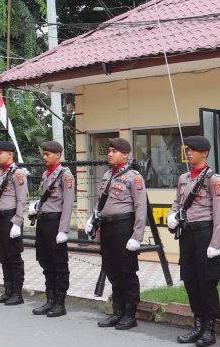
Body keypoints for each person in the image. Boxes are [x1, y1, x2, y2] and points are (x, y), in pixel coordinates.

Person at [167, 135, 220, 347]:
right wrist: (172, 216)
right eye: (188, 149)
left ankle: (209, 328)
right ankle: (198, 324)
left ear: (205, 153)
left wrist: (216, 244)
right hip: (187, 235)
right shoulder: (183, 178)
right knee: (191, 280)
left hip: (205, 233)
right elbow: (177, 202)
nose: (189, 153)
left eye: (193, 150)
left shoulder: (214, 180)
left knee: (206, 282)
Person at [87, 138, 148, 330]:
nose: (110, 154)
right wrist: (92, 218)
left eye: (114, 151)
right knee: (112, 270)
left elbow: (141, 208)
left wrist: (137, 236)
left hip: (124, 226)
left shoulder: (134, 177)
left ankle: (130, 314)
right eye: (109, 151)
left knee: (126, 271)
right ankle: (117, 311)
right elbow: (101, 201)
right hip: (107, 227)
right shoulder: (107, 175)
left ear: (125, 154)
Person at [31, 140, 74, 317]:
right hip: (43, 222)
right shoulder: (46, 174)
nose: (44, 157)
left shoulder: (65, 175)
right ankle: (49, 300)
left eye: (48, 154)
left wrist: (63, 230)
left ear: (58, 155)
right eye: (44, 153)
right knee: (46, 262)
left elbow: (68, 204)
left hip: (56, 223)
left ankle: (60, 303)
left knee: (59, 264)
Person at [0, 141, 28, 305]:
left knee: (13, 256)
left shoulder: (18, 173)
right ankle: (8, 291)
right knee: (3, 256)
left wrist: (17, 222)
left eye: (0, 153)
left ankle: (17, 293)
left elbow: (22, 200)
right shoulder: (0, 173)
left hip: (10, 219)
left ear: (10, 154)